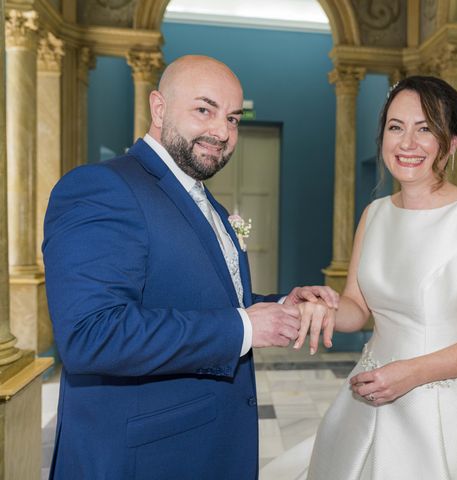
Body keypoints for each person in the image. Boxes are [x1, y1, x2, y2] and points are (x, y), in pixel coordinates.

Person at [42, 55, 337, 480]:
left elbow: (199, 297)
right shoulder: (103, 187)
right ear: (159, 108)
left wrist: (279, 304)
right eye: (205, 110)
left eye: (234, 119)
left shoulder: (203, 199)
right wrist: (246, 329)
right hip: (145, 459)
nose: (222, 132)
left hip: (207, 448)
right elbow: (91, 335)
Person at [300, 76, 457, 479]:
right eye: (396, 127)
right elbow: (358, 308)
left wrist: (413, 373)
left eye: (425, 129)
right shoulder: (374, 215)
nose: (407, 143)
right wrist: (325, 309)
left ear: (452, 143)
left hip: (442, 410)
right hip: (367, 397)